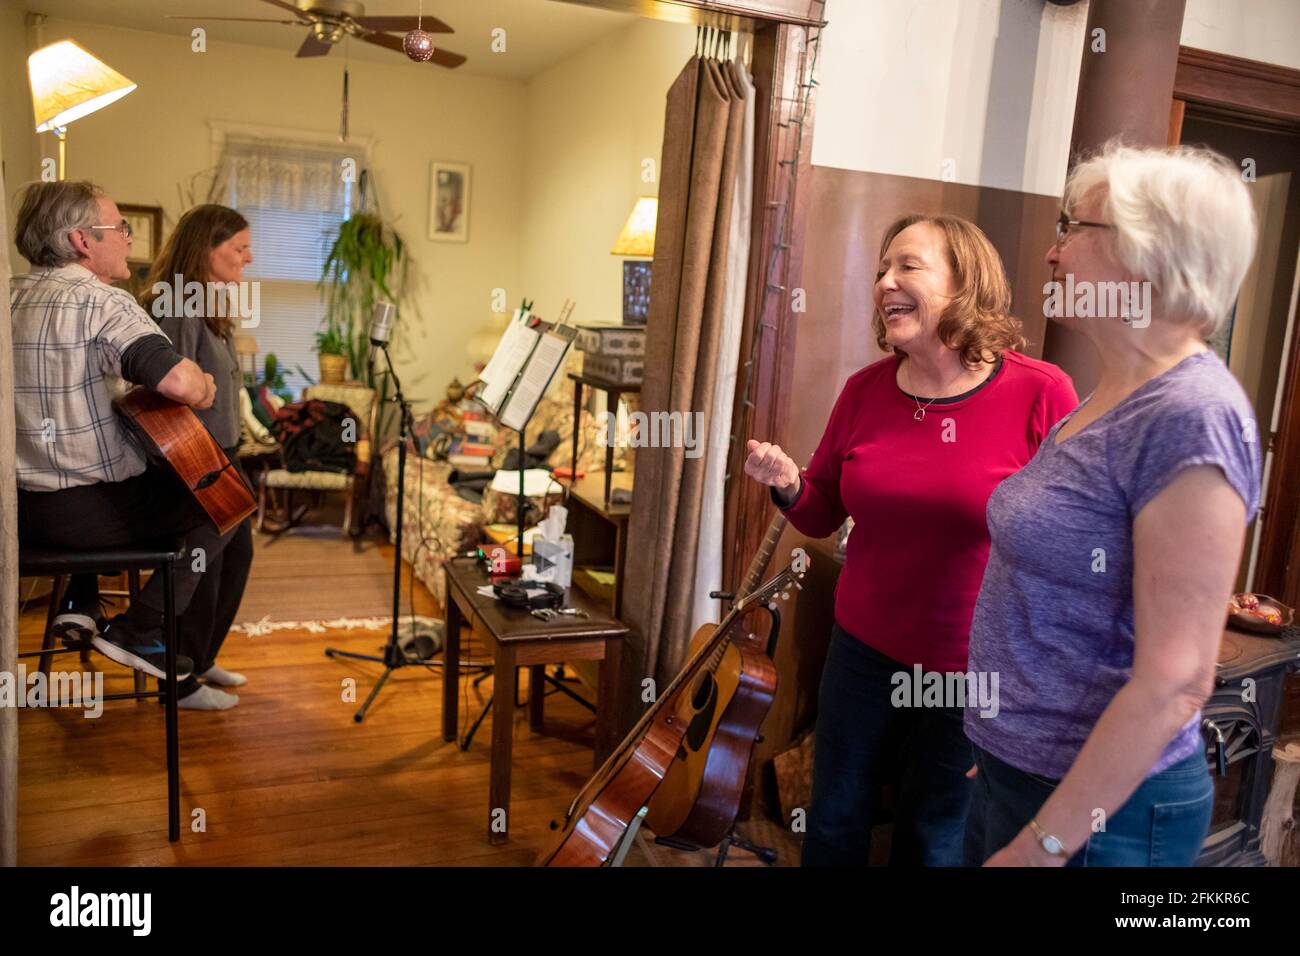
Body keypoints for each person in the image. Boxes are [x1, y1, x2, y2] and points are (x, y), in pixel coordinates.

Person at [962, 143, 1262, 867]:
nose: (1053, 254)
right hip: (1027, 778)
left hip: (1105, 821)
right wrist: (1003, 746)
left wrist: (1048, 839)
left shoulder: (1191, 413)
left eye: (1074, 229)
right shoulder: (1104, 392)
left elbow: (1175, 682)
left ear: (1147, 254)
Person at [745, 214, 1078, 866]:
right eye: (880, 270)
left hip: (971, 668)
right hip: (862, 651)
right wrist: (788, 485)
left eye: (907, 267)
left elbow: (1069, 545)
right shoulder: (864, 392)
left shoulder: (1040, 392)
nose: (885, 283)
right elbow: (819, 513)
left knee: (932, 836)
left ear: (964, 285)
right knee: (834, 819)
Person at [11, 180, 221, 684]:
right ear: (83, 241)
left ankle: (79, 599)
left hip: (16, 519)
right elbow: (177, 381)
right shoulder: (103, 302)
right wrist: (203, 382)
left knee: (87, 451)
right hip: (84, 517)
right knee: (223, 499)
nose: (129, 239)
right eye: (121, 229)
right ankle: (139, 631)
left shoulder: (8, 293)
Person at [139, 204, 257, 710]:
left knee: (234, 557)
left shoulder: (209, 307)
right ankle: (178, 679)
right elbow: (164, 391)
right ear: (206, 249)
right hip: (191, 460)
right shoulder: (178, 308)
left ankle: (200, 656)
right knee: (200, 563)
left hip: (222, 454)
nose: (248, 259)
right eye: (239, 248)